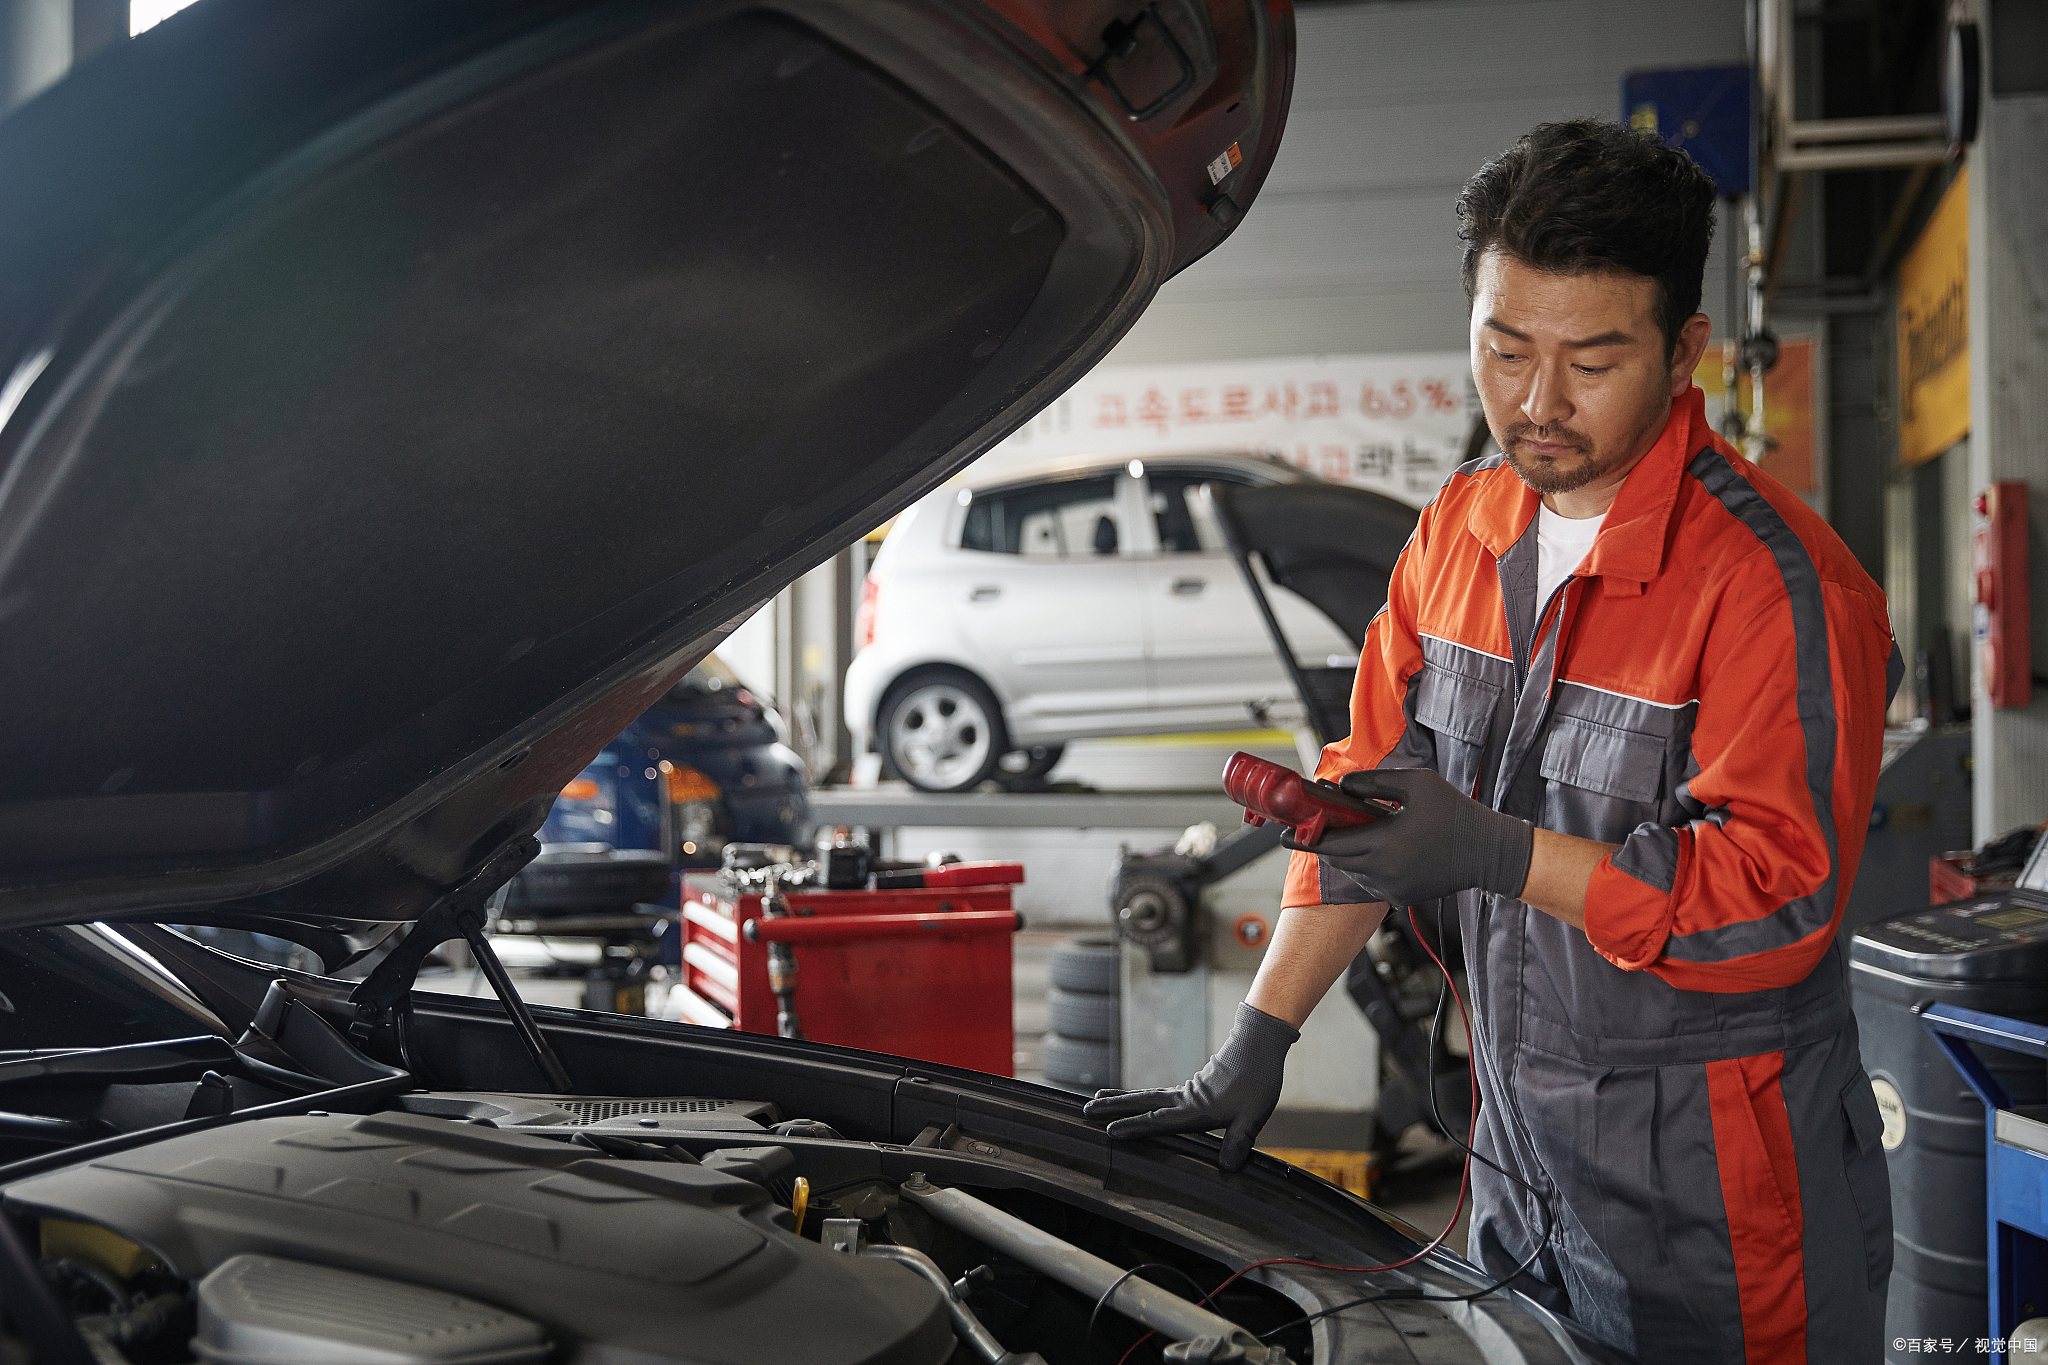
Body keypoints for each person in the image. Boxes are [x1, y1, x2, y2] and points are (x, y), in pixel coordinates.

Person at [1085, 119, 1898, 1364]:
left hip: (1723, 1199)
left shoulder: (1774, 590)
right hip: (1516, 1159)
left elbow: (1773, 904)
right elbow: (1359, 802)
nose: (1534, 401)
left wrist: (1505, 854)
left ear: (1683, 352)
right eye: (1502, 347)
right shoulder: (1458, 534)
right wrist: (1261, 1036)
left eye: (1589, 359)